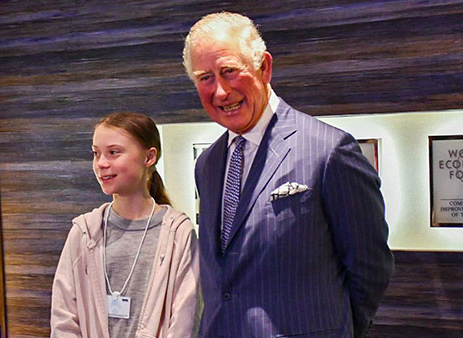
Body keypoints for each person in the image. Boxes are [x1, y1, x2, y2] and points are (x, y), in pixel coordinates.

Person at [183, 12, 394, 338]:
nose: (221, 91)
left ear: (264, 67)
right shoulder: (207, 164)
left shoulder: (330, 151)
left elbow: (371, 267)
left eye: (229, 71)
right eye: (205, 78)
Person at [50, 112, 200, 337]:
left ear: (149, 157)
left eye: (113, 152)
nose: (101, 163)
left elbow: (185, 320)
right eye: (96, 153)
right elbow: (64, 319)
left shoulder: (178, 233)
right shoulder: (84, 231)